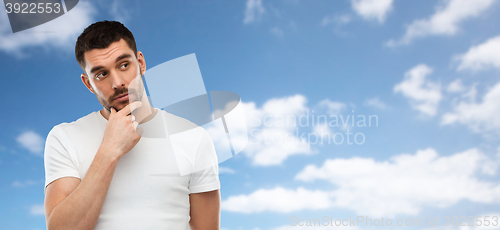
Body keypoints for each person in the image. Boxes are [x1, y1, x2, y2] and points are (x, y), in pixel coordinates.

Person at [43, 20, 220, 230]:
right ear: (88, 84)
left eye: (124, 65)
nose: (117, 82)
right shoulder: (64, 138)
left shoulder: (193, 137)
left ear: (141, 63)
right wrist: (109, 151)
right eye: (101, 74)